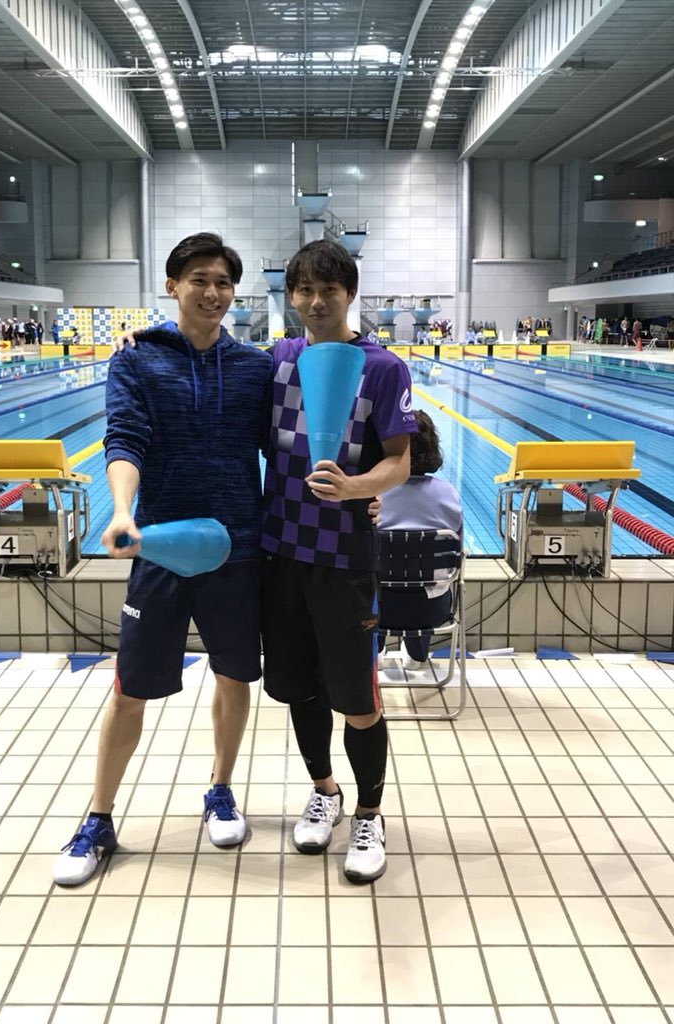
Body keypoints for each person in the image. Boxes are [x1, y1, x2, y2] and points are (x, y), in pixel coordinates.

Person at [53, 233, 273, 886]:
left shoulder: (255, 368)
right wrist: (123, 511)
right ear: (172, 285)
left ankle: (221, 790)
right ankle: (98, 817)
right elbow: (125, 438)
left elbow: (286, 449)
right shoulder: (137, 359)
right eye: (199, 279)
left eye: (223, 282)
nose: (213, 292)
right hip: (161, 547)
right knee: (130, 688)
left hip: (237, 548)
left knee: (234, 676)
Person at [260, 240, 416, 884]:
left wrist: (357, 488)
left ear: (350, 293)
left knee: (356, 697)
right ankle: (325, 791)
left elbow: (400, 460)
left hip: (345, 556)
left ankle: (370, 815)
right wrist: (143, 341)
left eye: (329, 289)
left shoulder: (382, 368)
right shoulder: (278, 359)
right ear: (291, 296)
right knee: (299, 687)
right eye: (305, 289)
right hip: (280, 551)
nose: (317, 301)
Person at [377, 410, 463, 668]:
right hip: (432, 610)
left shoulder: (374, 494)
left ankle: (374, 651)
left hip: (377, 610)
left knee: (375, 573)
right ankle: (416, 655)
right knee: (425, 575)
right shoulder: (447, 493)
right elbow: (457, 551)